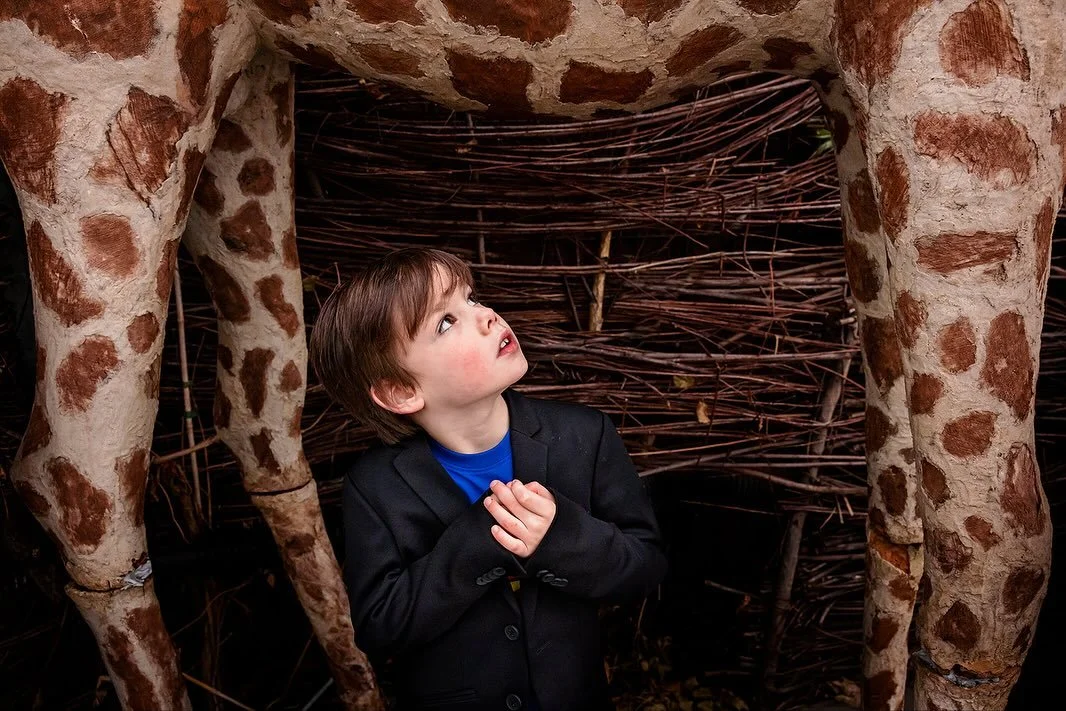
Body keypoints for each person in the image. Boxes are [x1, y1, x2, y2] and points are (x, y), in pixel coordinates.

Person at [309, 248, 667, 710]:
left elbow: (646, 567)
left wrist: (561, 538)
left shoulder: (584, 436)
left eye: (472, 298)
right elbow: (380, 626)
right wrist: (476, 545)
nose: (486, 316)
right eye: (445, 322)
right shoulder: (376, 486)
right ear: (401, 391)